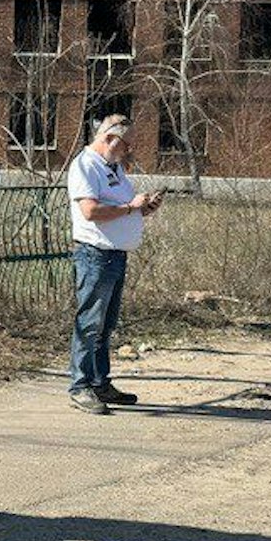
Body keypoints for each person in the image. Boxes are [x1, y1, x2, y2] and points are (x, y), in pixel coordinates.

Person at [65, 114, 161, 415]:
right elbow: (90, 211)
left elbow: (124, 209)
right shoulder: (85, 166)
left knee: (106, 326)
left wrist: (143, 209)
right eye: (126, 144)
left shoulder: (114, 168)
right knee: (89, 323)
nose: (129, 151)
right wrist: (130, 207)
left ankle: (100, 381)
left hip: (116, 254)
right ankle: (81, 386)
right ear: (109, 139)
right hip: (95, 255)